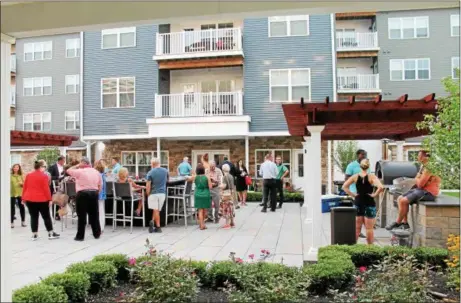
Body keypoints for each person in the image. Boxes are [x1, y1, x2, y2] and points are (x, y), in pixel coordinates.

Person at [386, 150, 441, 231]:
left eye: (419, 156)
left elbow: (420, 183)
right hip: (421, 190)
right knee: (399, 198)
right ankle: (405, 223)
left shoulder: (429, 168)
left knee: (403, 201)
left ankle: (397, 223)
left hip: (429, 193)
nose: (418, 158)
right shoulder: (423, 166)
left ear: (425, 157)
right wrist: (418, 179)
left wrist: (418, 178)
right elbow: (417, 181)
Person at [343, 159, 384, 244]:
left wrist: (353, 195)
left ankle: (354, 247)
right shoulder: (372, 177)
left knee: (357, 228)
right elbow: (381, 187)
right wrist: (374, 195)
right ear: (368, 166)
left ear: (360, 166)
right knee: (369, 229)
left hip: (358, 203)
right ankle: (369, 249)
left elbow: (344, 187)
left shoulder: (355, 176)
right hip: (369, 203)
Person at [22, 160, 60, 241]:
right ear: (41, 167)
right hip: (42, 199)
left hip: (30, 199)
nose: (45, 168)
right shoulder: (44, 176)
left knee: (33, 217)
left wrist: (23, 198)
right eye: (44, 167)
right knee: (46, 217)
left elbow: (25, 187)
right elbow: (46, 189)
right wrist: (50, 199)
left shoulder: (28, 175)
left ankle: (34, 235)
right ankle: (50, 233)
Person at [67, 157, 102, 241]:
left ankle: (80, 236)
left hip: (83, 194)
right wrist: (97, 193)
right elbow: (100, 185)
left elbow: (68, 170)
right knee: (94, 215)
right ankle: (97, 233)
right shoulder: (96, 172)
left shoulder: (80, 171)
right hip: (94, 193)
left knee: (81, 215)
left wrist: (77, 165)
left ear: (83, 163)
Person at [345, 149, 369, 238]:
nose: (364, 156)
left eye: (365, 154)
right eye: (363, 154)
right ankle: (356, 232)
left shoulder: (366, 165)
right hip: (355, 192)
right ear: (358, 155)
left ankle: (359, 231)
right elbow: (346, 178)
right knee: (358, 213)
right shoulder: (351, 166)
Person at [146, 158, 169, 233]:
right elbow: (167, 180)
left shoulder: (150, 172)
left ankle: (158, 227)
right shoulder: (165, 171)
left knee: (155, 210)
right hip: (162, 193)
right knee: (157, 210)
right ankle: (152, 222)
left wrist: (148, 193)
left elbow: (148, 185)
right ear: (159, 163)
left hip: (154, 193)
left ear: (152, 164)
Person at [188, 164, 212, 230]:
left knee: (200, 210)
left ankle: (201, 225)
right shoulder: (207, 177)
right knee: (205, 210)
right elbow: (210, 187)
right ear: (203, 170)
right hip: (206, 194)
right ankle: (203, 224)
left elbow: (188, 180)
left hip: (198, 194)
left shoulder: (195, 177)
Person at [48, 155, 66, 220]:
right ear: (60, 160)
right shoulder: (52, 167)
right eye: (63, 161)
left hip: (63, 186)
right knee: (56, 200)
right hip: (55, 186)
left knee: (62, 200)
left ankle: (61, 214)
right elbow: (50, 177)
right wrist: (58, 177)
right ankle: (55, 215)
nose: (64, 162)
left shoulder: (64, 167)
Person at [220, 164, 236, 229]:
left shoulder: (224, 177)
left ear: (223, 169)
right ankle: (232, 222)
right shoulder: (231, 176)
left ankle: (227, 224)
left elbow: (224, 186)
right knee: (231, 208)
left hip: (226, 194)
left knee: (226, 209)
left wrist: (219, 186)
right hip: (231, 193)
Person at [10, 163, 26, 228]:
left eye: (17, 167)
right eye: (14, 167)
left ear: (19, 168)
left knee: (22, 207)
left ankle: (23, 221)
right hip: (12, 194)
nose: (16, 168)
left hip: (20, 193)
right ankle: (12, 223)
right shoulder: (10, 176)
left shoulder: (21, 175)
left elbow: (25, 184)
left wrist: (22, 183)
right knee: (12, 208)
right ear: (13, 168)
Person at [95, 160, 107, 233]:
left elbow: (99, 185)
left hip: (98, 193)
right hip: (102, 194)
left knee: (98, 211)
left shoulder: (98, 175)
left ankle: (99, 227)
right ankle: (101, 226)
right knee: (101, 210)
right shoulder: (103, 175)